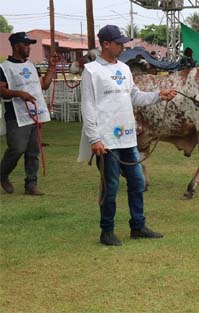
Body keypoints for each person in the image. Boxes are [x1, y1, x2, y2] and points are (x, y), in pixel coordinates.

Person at [78, 25, 177, 246]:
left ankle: (138, 226)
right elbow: (88, 106)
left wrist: (159, 96)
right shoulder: (91, 71)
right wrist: (94, 138)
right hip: (107, 140)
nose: (123, 46)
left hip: (127, 137)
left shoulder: (124, 68)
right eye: (119, 43)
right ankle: (107, 230)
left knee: (137, 182)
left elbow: (134, 96)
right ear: (105, 44)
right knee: (111, 186)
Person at [0, 32, 58, 195]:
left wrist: (51, 67)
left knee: (33, 151)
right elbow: (2, 90)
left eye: (29, 45)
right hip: (16, 116)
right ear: (16, 46)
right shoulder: (4, 67)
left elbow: (44, 85)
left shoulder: (31, 66)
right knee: (17, 148)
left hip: (34, 113)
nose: (28, 48)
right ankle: (2, 174)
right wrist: (19, 93)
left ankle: (31, 184)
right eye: (25, 45)